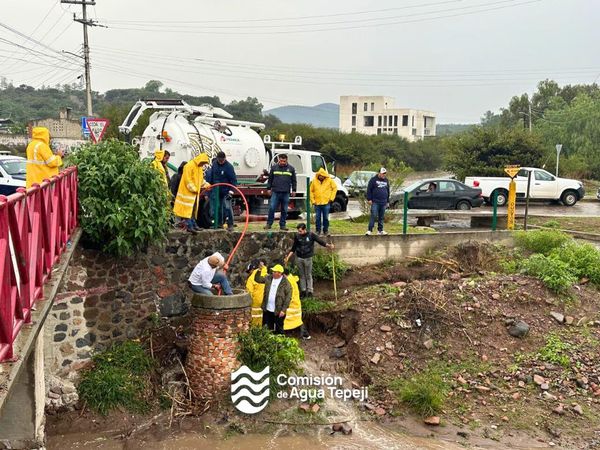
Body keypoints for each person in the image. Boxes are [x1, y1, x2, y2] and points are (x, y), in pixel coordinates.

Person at [284, 223, 334, 298]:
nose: (299, 232)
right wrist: (288, 257)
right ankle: (303, 291)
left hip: (308, 258)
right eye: (298, 231)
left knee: (308, 275)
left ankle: (310, 291)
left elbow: (320, 241)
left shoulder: (311, 235)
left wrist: (329, 246)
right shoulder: (297, 236)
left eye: (300, 231)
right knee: (302, 275)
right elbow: (293, 248)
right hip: (300, 258)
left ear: (305, 229)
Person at [173, 153, 211, 233]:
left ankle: (194, 225)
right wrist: (195, 189)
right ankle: (190, 226)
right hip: (186, 194)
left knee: (193, 210)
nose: (203, 164)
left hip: (193, 195)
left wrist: (206, 184)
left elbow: (200, 180)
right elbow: (188, 180)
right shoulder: (189, 166)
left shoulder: (199, 168)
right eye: (203, 163)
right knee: (187, 211)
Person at [254, 263, 292, 334]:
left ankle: (279, 343)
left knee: (279, 329)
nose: (273, 273)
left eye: (275, 272)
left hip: (278, 310)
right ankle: (268, 343)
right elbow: (257, 279)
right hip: (267, 309)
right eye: (273, 271)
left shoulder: (286, 283)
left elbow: (288, 298)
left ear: (280, 273)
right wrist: (259, 270)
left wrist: (283, 310)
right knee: (266, 329)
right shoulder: (269, 278)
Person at [206, 151, 237, 229]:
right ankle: (218, 223)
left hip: (226, 190)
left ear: (224, 159)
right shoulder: (214, 165)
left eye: (222, 160)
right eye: (219, 160)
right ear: (217, 159)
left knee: (227, 207)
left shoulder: (229, 167)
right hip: (216, 190)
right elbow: (211, 177)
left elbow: (233, 180)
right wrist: (208, 190)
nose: (220, 162)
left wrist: (231, 192)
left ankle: (230, 224)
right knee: (216, 207)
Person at [265, 154, 296, 231]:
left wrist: (294, 190)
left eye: (284, 161)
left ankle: (282, 225)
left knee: (284, 209)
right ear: (279, 160)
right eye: (281, 161)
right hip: (275, 192)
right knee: (272, 208)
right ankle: (269, 224)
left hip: (286, 192)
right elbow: (270, 179)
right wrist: (268, 188)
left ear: (287, 160)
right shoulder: (274, 168)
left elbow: (294, 181)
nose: (282, 162)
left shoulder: (291, 169)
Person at [283, 269, 311, 340]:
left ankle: (283, 334)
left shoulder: (288, 282)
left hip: (292, 305)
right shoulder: (291, 279)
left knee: (286, 320)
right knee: (297, 320)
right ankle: (305, 334)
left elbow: (289, 295)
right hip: (295, 304)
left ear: (284, 275)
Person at [310, 167, 337, 236]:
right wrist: (313, 200)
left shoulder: (329, 180)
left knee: (325, 218)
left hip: (326, 202)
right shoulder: (314, 181)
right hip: (317, 203)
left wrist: (331, 198)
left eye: (323, 176)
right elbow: (310, 191)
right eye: (320, 175)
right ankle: (318, 230)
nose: (321, 177)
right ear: (318, 175)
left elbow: (335, 188)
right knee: (318, 218)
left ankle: (326, 230)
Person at [365, 168, 390, 236]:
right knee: (373, 215)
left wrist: (387, 201)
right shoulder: (373, 180)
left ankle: (380, 230)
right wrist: (369, 199)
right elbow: (369, 190)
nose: (384, 175)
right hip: (375, 202)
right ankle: (369, 230)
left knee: (381, 217)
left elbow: (388, 191)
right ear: (379, 173)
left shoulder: (386, 180)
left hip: (383, 202)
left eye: (385, 173)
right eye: (382, 173)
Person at [245, 259, 267, 327]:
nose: (249, 273)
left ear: (252, 270)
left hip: (256, 301)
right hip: (265, 299)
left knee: (255, 316)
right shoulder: (264, 273)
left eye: (249, 271)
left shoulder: (251, 279)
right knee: (263, 316)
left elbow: (249, 292)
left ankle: (256, 330)